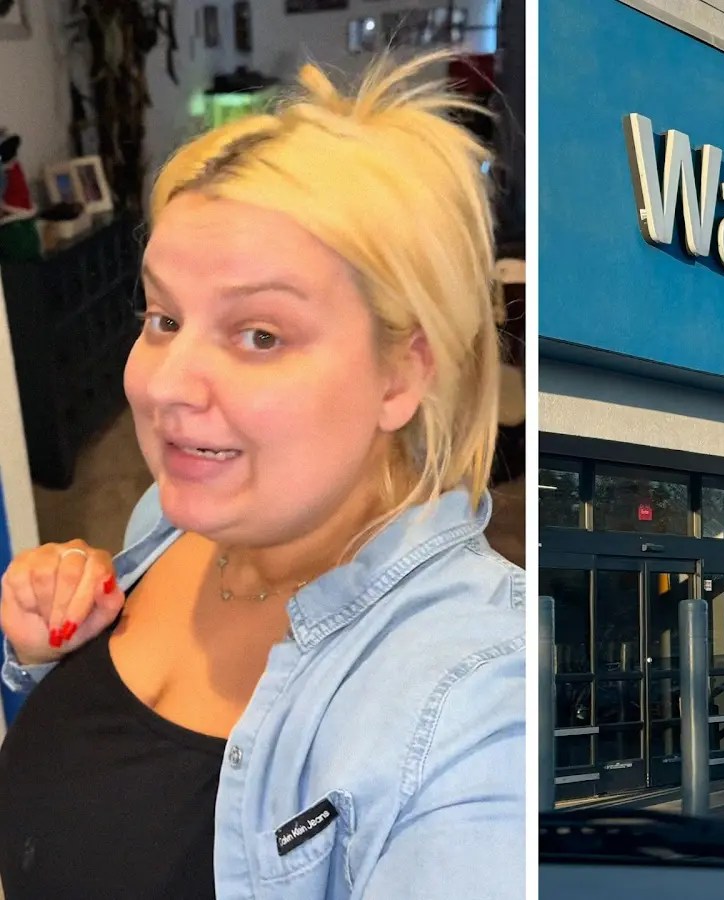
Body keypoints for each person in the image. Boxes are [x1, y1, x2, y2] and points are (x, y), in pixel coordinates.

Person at [0, 52, 524, 899]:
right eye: (164, 317)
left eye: (261, 336)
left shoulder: (477, 706)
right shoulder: (163, 527)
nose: (164, 385)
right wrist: (42, 658)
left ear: (402, 375)